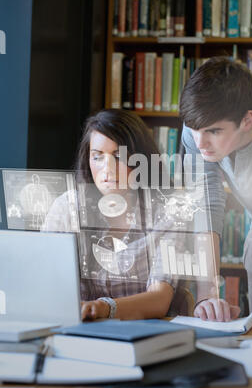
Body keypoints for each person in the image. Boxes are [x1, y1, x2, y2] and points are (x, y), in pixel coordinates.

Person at [180, 56, 252, 331]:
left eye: (214, 131)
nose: (201, 143)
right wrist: (207, 295)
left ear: (247, 120)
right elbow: (205, 207)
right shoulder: (196, 131)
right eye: (195, 131)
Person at [43, 109, 175, 321]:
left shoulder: (165, 213)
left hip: (141, 334)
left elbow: (159, 298)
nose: (107, 170)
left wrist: (103, 308)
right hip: (74, 331)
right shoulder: (67, 208)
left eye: (118, 156)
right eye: (97, 157)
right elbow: (45, 283)